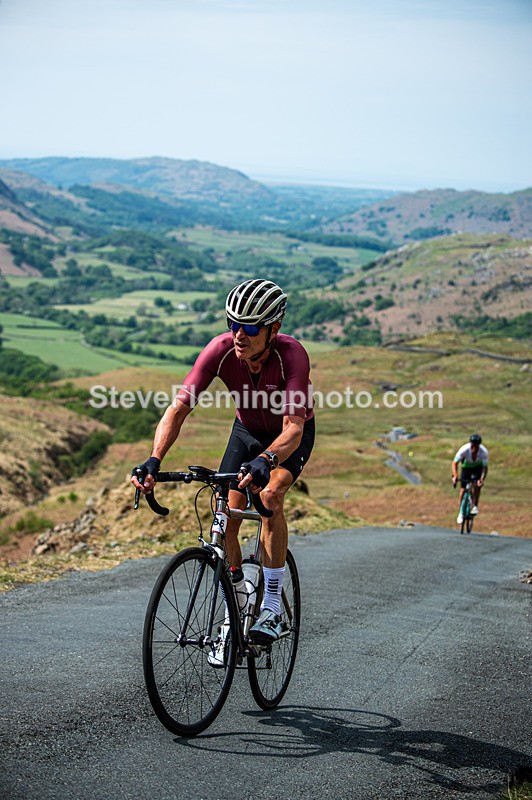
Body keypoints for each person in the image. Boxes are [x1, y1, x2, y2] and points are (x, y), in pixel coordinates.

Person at [131, 278, 315, 660]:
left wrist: (267, 460)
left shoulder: (292, 354)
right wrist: (154, 459)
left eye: (249, 328)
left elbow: (294, 428)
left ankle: (271, 607)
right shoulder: (219, 350)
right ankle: (237, 604)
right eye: (233, 325)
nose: (239, 335)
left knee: (269, 495)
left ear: (273, 329)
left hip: (287, 436)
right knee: (226, 512)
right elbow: (179, 408)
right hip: (245, 433)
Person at [452, 434, 488, 524]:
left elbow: (484, 468)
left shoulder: (483, 452)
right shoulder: (464, 449)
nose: (474, 448)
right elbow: (455, 463)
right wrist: (455, 475)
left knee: (476, 485)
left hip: (477, 468)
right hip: (466, 467)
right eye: (472, 445)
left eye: (476, 446)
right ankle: (461, 512)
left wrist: (482, 479)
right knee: (463, 490)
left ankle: (475, 505)